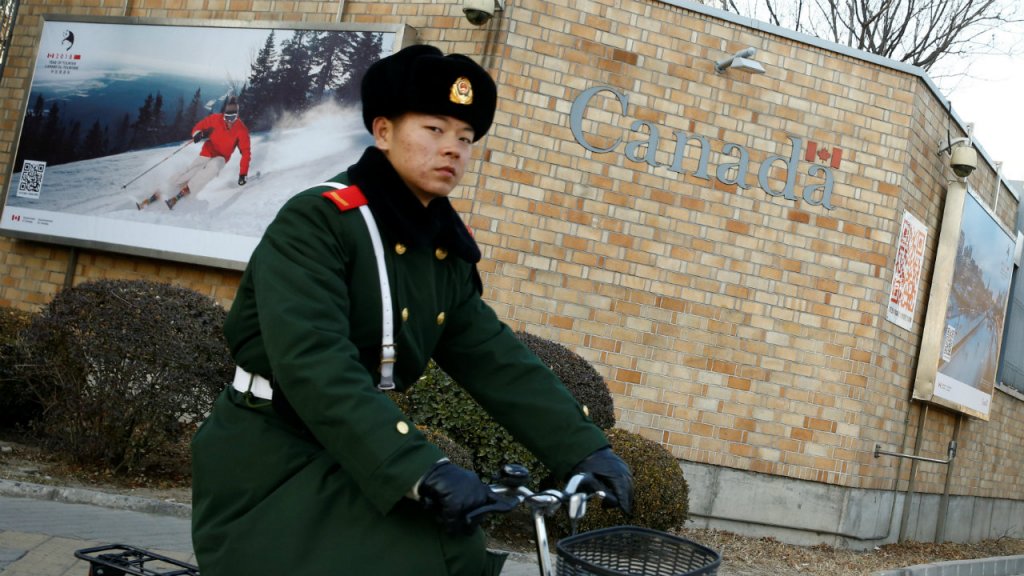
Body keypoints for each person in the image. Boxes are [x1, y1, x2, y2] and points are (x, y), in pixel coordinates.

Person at [190, 44, 634, 576]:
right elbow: (314, 364)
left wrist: (584, 449)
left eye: (466, 139)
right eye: (434, 130)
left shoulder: (440, 250)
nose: (454, 149)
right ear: (382, 132)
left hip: (355, 455)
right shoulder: (319, 222)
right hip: (270, 460)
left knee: (459, 556)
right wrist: (422, 471)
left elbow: (494, 357)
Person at [165, 96, 251, 209]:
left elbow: (246, 152)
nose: (230, 121)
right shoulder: (216, 119)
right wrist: (197, 134)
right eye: (227, 117)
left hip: (222, 157)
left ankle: (188, 191)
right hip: (208, 151)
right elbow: (198, 127)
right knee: (192, 171)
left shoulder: (241, 130)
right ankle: (169, 185)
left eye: (233, 117)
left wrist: (243, 174)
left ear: (237, 116)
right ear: (224, 115)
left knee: (213, 167)